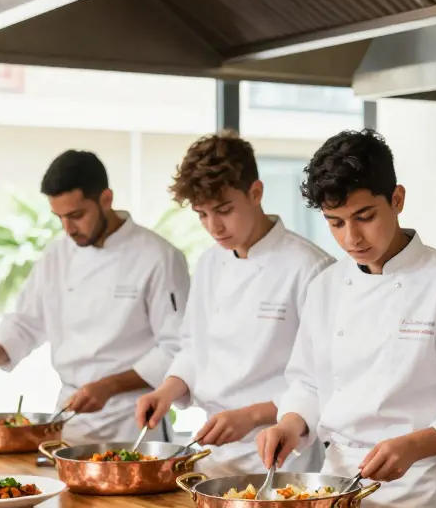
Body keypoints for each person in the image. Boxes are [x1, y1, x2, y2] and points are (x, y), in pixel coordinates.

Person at [256, 129, 436, 508]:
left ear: (397, 200)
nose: (352, 238)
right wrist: (290, 425)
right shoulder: (326, 286)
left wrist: (413, 445)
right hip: (333, 490)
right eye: (336, 223)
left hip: (419, 497)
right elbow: (307, 381)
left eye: (365, 217)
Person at [135, 130, 334, 475]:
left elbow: (323, 381)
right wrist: (166, 391)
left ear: (256, 193)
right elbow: (194, 349)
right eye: (202, 214)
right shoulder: (211, 262)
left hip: (283, 452)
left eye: (224, 210)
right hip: (214, 450)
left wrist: (250, 416)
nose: (214, 226)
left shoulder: (311, 268)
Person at [0, 150, 189, 442]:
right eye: (60, 218)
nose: (68, 228)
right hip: (69, 416)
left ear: (106, 199)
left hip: (135, 420)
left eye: (77, 216)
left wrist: (109, 386)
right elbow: (26, 322)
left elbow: (176, 348)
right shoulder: (57, 254)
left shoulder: (159, 257)